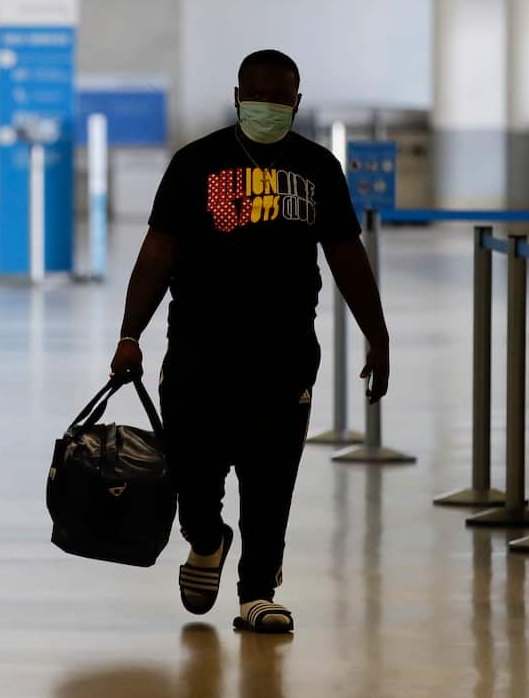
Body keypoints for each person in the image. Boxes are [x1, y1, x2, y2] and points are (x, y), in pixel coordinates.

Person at [109, 49, 389, 635]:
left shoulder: (318, 169)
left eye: (278, 99)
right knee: (194, 474)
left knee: (270, 478)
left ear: (296, 102)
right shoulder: (194, 163)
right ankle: (206, 541)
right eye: (256, 97)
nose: (267, 107)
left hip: (283, 357)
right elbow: (158, 253)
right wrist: (129, 333)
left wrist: (376, 332)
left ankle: (257, 592)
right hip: (197, 353)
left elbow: (345, 255)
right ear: (238, 98)